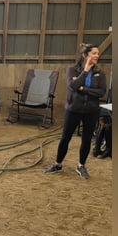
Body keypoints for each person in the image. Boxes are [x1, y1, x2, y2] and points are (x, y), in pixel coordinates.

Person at [44, 43, 108, 179]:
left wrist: (83, 89)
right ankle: (58, 163)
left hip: (91, 111)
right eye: (94, 53)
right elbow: (73, 86)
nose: (97, 56)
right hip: (73, 110)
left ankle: (81, 166)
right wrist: (84, 72)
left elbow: (101, 92)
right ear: (85, 55)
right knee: (65, 138)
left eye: (98, 53)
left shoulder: (100, 73)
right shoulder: (72, 70)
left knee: (86, 140)